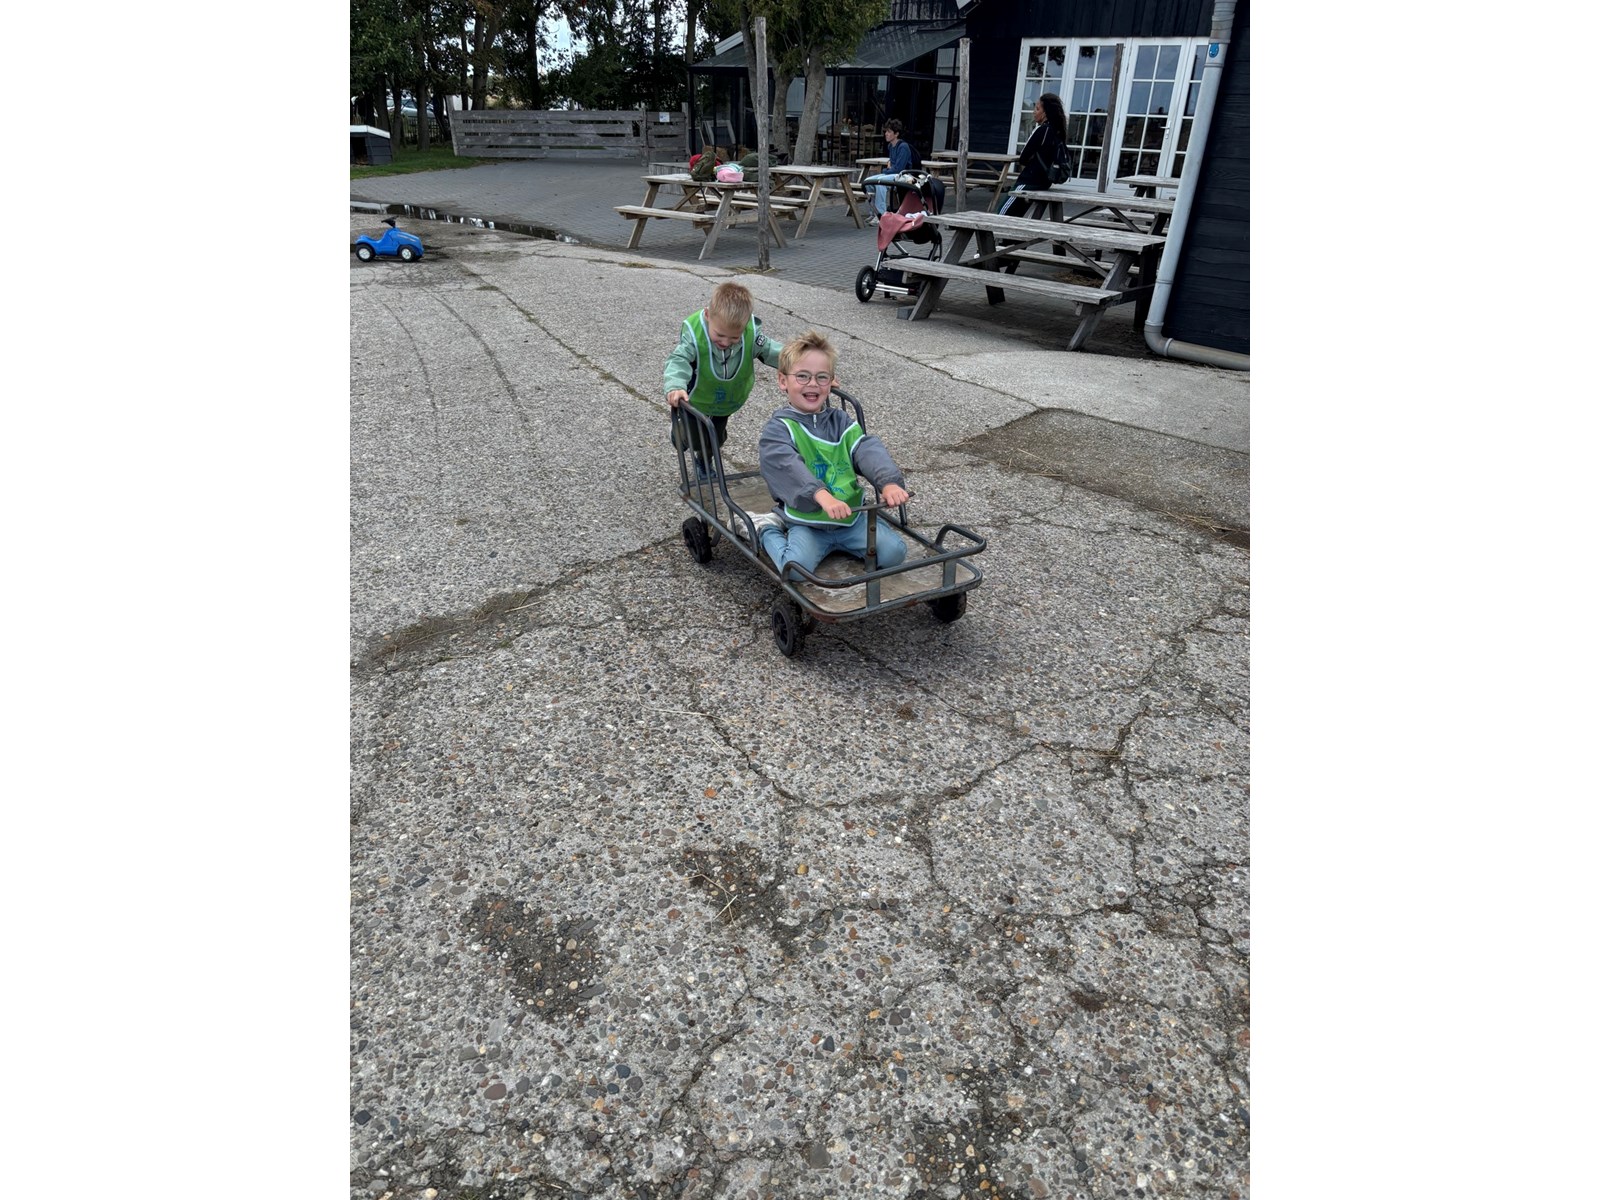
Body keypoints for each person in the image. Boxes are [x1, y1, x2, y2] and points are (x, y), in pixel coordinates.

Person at [751, 330, 911, 578]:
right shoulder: (779, 429)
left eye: (821, 377)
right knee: (795, 570)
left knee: (894, 553)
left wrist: (888, 482)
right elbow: (786, 465)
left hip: (851, 518)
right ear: (783, 381)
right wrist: (821, 496)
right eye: (802, 376)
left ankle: (855, 537)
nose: (813, 384)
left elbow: (866, 449)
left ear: (831, 381)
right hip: (807, 520)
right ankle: (765, 529)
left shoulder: (841, 421)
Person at [664, 281, 784, 478]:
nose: (726, 342)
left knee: (716, 438)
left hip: (726, 399)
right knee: (695, 438)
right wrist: (675, 385)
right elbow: (679, 360)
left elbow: (776, 352)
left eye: (734, 338)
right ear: (707, 315)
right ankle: (679, 433)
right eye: (719, 335)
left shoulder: (751, 335)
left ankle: (704, 461)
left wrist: (810, 369)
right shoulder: (695, 336)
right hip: (697, 398)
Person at [1000, 91, 1069, 217]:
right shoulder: (1058, 132)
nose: (1034, 112)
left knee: (1001, 214)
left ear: (1045, 113)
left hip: (1029, 181)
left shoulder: (1042, 130)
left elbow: (1023, 158)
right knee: (1016, 215)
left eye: (1037, 109)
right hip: (1044, 182)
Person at [868, 118, 923, 226]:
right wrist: (888, 169)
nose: (886, 134)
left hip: (905, 176)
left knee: (880, 183)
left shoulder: (903, 147)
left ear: (896, 134)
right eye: (886, 131)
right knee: (868, 182)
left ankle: (881, 216)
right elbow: (892, 166)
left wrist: (885, 170)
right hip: (894, 174)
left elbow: (898, 169)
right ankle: (874, 212)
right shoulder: (890, 146)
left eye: (889, 132)